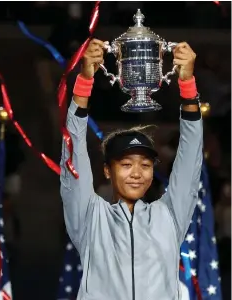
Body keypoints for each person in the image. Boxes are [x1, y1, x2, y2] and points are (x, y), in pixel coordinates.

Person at [60, 39, 202, 300]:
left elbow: (190, 160)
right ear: (107, 171)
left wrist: (188, 86)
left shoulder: (169, 215)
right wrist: (84, 81)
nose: (137, 173)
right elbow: (74, 155)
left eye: (145, 165)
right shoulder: (90, 217)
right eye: (125, 164)